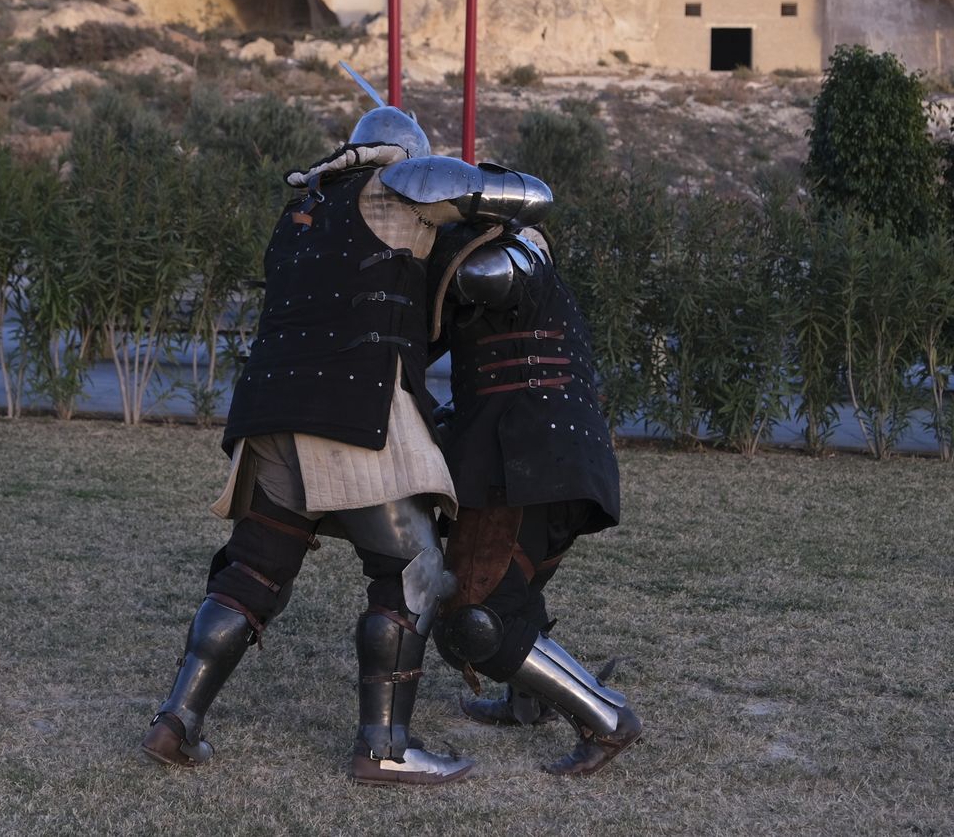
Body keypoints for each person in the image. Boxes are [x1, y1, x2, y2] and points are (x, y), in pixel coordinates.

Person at [140, 107, 551, 786]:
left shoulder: (303, 210)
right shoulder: (404, 181)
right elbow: (532, 198)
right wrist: (473, 186)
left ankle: (176, 721)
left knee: (252, 573)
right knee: (415, 568)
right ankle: (385, 746)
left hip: (271, 410)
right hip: (349, 411)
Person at [427, 220, 641, 777]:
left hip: (521, 457)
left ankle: (605, 718)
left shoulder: (503, 257)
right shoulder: (535, 270)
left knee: (476, 618)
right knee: (511, 595)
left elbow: (480, 272)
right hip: (550, 457)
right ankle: (527, 702)